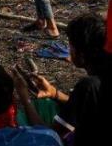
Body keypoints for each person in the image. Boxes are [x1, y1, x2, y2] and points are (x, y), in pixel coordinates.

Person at [13, 14, 112, 146]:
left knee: (28, 120)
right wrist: (55, 93)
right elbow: (88, 105)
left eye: (71, 46)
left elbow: (49, 137)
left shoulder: (88, 86)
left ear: (81, 55)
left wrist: (25, 98)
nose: (69, 50)